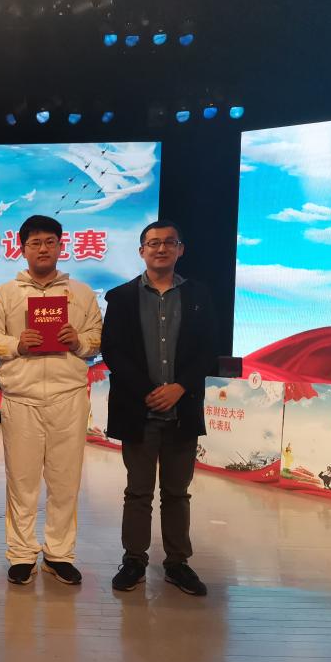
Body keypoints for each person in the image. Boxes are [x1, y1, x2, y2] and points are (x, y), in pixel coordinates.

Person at [0, 215, 102, 586]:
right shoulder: (6, 293)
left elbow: (97, 338)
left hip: (68, 397)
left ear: (60, 246)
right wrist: (16, 344)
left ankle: (58, 554)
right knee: (22, 481)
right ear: (23, 248)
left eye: (50, 241)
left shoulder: (81, 293)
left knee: (65, 481)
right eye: (35, 243)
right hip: (21, 398)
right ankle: (21, 554)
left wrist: (78, 341)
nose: (43, 249)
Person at [101, 220, 216, 596]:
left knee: (177, 492)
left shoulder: (199, 295)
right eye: (153, 243)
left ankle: (177, 563)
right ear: (142, 251)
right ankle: (134, 560)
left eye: (169, 242)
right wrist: (150, 391)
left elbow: (208, 349)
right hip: (139, 409)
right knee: (138, 491)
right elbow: (113, 350)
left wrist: (180, 388)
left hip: (183, 409)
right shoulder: (120, 297)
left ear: (181, 249)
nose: (161, 248)